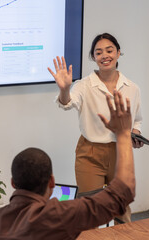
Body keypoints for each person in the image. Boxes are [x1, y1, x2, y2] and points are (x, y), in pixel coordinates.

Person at [0, 91, 136, 240]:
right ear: (51, 182)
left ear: (13, 183)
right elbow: (123, 192)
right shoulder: (58, 217)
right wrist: (123, 134)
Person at [47, 32, 143, 223]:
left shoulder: (132, 87)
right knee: (89, 209)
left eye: (109, 50)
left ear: (118, 53)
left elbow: (137, 120)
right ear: (93, 57)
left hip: (120, 151)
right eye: (98, 52)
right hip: (90, 154)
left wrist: (136, 133)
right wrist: (64, 89)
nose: (104, 55)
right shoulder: (84, 85)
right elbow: (66, 103)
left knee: (121, 207)